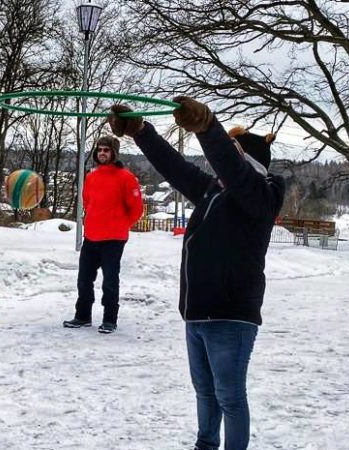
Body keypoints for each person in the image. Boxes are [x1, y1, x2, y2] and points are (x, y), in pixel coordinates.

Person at [107, 97, 285, 450]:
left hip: (231, 316)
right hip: (198, 314)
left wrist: (207, 127)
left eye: (231, 151)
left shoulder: (257, 196)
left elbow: (234, 170)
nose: (220, 159)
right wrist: (141, 131)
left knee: (230, 397)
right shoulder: (213, 192)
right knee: (205, 393)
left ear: (247, 160)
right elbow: (175, 167)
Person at [63, 136, 144, 334]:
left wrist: (121, 224)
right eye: (99, 150)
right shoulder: (91, 177)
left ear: (114, 153)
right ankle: (82, 316)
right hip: (91, 236)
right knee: (84, 279)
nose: (102, 153)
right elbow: (88, 201)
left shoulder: (126, 177)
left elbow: (136, 208)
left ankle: (110, 319)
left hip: (114, 239)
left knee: (109, 281)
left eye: (106, 150)